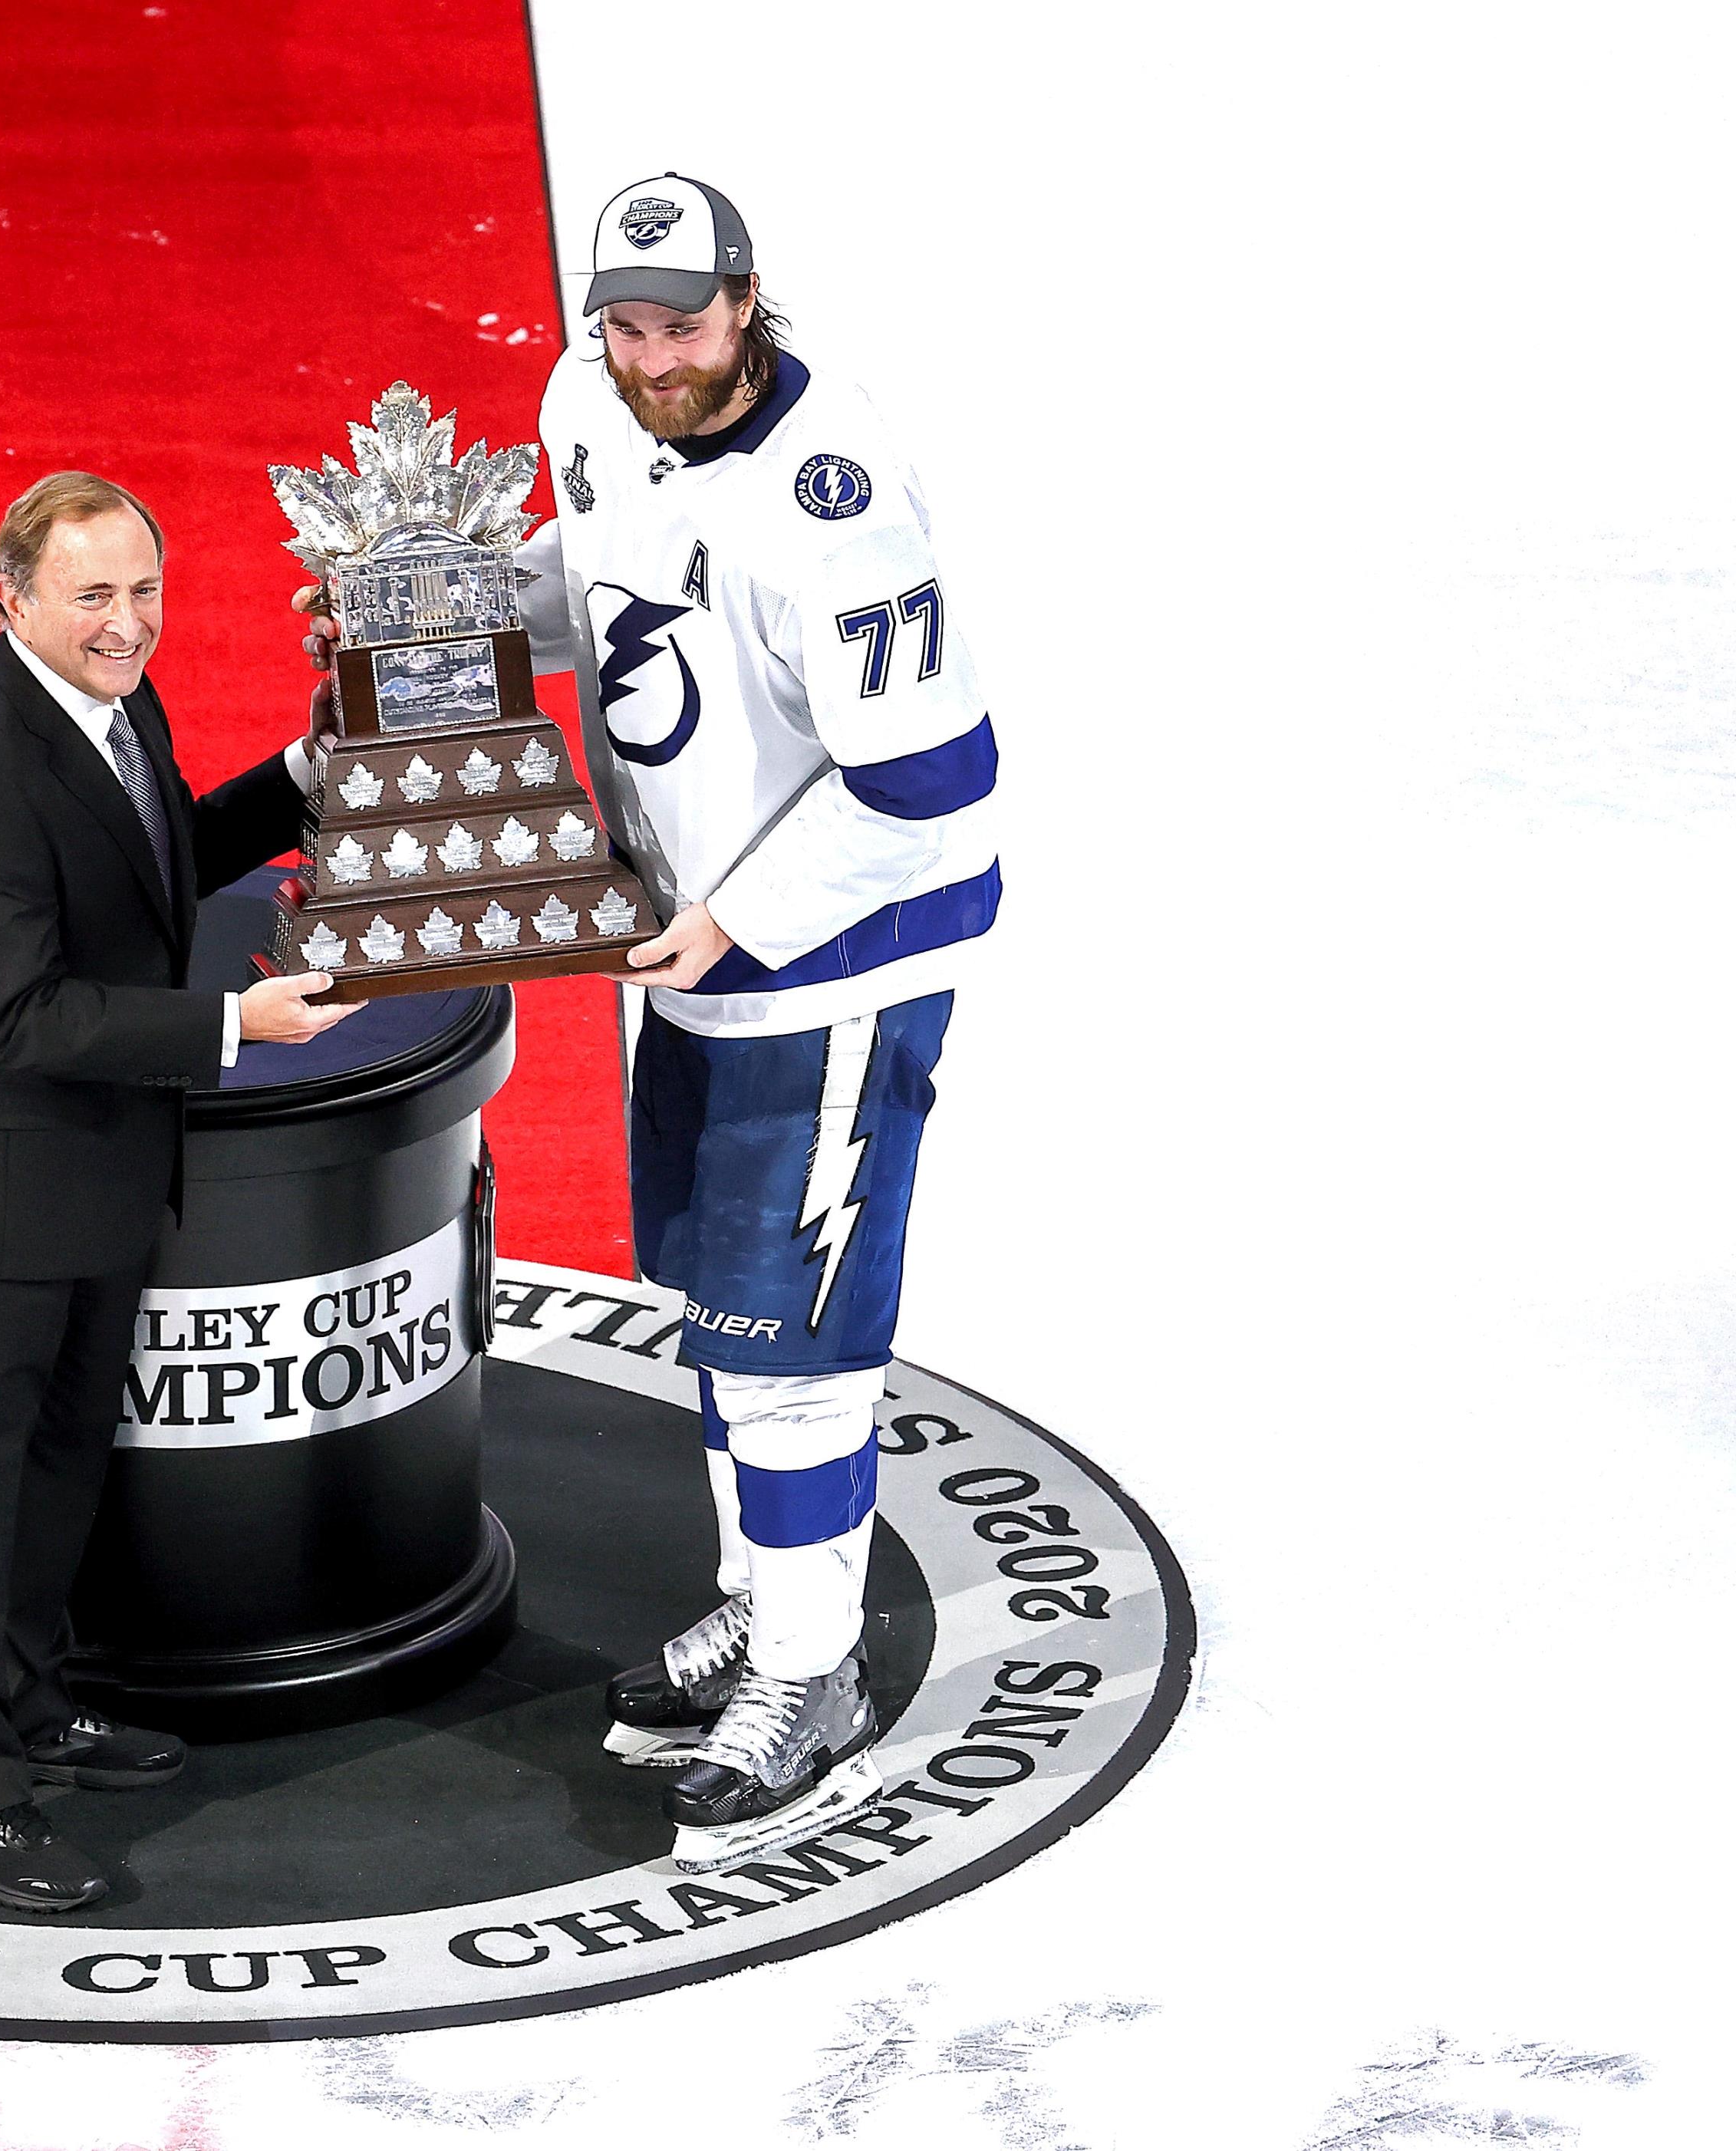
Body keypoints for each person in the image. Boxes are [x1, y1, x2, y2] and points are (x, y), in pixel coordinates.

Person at [299, 172, 1000, 1869]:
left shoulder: (834, 514)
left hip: (831, 962)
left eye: (678, 327)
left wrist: (737, 917)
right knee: (710, 1309)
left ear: (748, 304)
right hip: (686, 946)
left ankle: (814, 1674)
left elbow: (937, 787)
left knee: (795, 1343)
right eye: (619, 323)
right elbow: (610, 575)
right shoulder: (590, 394)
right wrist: (446, 614)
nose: (643, 358)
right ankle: (760, 1608)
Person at [0, 471, 351, 1913]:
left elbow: (157, 860)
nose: (127, 623)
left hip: (85, 1182)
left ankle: (27, 1709)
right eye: (93, 596)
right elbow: (25, 1016)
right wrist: (231, 1032)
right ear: (9, 597)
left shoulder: (114, 708)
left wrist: (312, 770)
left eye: (144, 591)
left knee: (57, 1470)